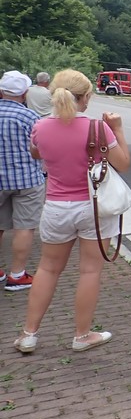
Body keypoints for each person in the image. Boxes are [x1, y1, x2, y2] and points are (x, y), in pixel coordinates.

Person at [14, 69, 131, 354]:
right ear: (86, 97)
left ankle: (29, 334)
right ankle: (82, 335)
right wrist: (117, 129)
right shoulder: (97, 128)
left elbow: (36, 153)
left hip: (56, 207)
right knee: (90, 271)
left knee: (48, 269)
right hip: (94, 208)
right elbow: (123, 163)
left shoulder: (40, 126)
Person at [0, 70, 45, 292]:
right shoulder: (30, 117)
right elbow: (40, 149)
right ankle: (17, 275)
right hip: (27, 179)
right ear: (25, 93)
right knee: (24, 227)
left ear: (1, 91)